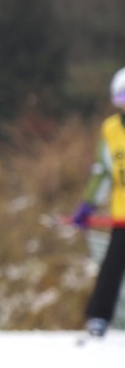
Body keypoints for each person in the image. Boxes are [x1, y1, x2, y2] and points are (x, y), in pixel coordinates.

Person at [70, 66, 125, 338]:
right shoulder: (111, 129)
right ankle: (99, 318)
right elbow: (103, 171)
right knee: (111, 268)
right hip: (122, 214)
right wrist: (88, 205)